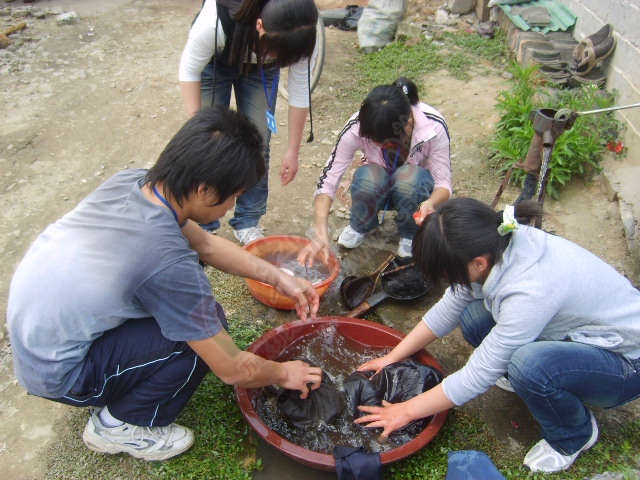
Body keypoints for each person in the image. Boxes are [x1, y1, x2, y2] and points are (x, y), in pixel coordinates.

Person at [6, 107, 322, 462]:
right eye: (235, 195)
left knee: (193, 321)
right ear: (204, 190)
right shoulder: (165, 261)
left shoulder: (136, 183)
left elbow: (203, 243)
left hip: (38, 341)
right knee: (199, 334)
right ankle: (119, 425)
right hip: (58, 373)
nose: (233, 206)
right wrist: (283, 372)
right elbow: (232, 368)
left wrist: (278, 276)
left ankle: (113, 379)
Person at [353, 197, 640, 473]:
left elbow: (478, 375)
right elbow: (451, 304)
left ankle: (573, 434)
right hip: (574, 332)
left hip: (626, 363)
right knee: (473, 316)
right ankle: (528, 374)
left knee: (528, 366)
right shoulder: (493, 240)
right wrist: (392, 357)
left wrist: (405, 411)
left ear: (479, 263)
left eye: (448, 274)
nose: (449, 282)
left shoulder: (530, 290)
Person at [179, 0, 318, 245]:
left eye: (281, 59)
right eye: (273, 53)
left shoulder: (302, 30)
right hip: (216, 62)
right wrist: (197, 131)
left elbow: (299, 91)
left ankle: (248, 221)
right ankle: (205, 221)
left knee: (258, 144)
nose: (274, 58)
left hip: (260, 74)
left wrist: (292, 151)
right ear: (260, 25)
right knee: (210, 145)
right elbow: (189, 69)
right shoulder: (215, 21)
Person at [299, 77, 451, 263]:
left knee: (409, 177)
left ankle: (410, 233)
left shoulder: (434, 126)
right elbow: (328, 180)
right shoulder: (359, 125)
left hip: (414, 190)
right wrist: (320, 231)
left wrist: (430, 204)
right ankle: (362, 224)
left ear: (407, 123)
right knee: (368, 176)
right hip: (377, 184)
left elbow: (443, 185)